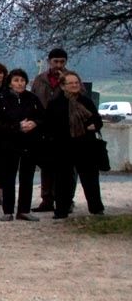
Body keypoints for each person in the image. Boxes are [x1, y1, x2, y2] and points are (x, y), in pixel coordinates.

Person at [46, 70, 105, 218]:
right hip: (63, 147)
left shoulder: (86, 101)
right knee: (62, 180)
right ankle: (61, 210)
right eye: (70, 83)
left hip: (85, 145)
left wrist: (94, 125)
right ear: (63, 86)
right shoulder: (55, 103)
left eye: (76, 82)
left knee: (90, 179)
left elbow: (97, 120)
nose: (74, 85)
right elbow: (49, 125)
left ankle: (96, 208)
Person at [0, 68, 43, 222]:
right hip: (8, 143)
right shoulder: (1, 99)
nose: (19, 83)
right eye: (16, 80)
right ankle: (8, 210)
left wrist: (35, 123)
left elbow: (43, 117)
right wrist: (16, 126)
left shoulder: (32, 98)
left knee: (27, 177)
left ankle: (24, 210)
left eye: (22, 80)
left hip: (29, 142)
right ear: (10, 83)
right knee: (8, 177)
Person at [30, 48, 69, 212]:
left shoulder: (71, 78)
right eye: (55, 61)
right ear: (49, 62)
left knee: (65, 168)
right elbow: (32, 100)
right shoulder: (40, 80)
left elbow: (80, 96)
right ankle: (46, 200)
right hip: (43, 127)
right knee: (46, 166)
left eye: (62, 62)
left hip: (64, 127)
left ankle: (65, 200)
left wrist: (64, 81)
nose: (58, 65)